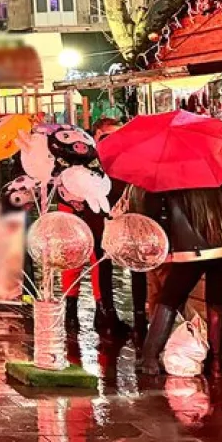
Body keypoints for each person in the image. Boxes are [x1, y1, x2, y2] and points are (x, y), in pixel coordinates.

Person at [132, 178, 222, 377]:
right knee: (217, 302)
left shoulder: (173, 176)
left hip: (190, 251)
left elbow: (153, 213)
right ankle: (216, 364)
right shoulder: (219, 172)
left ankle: (149, 358)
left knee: (169, 299)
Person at [94, 117, 144, 342]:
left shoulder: (130, 158)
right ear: (97, 136)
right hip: (102, 218)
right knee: (104, 265)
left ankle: (139, 320)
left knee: (136, 265)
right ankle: (110, 315)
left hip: (127, 218)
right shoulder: (93, 161)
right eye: (107, 136)